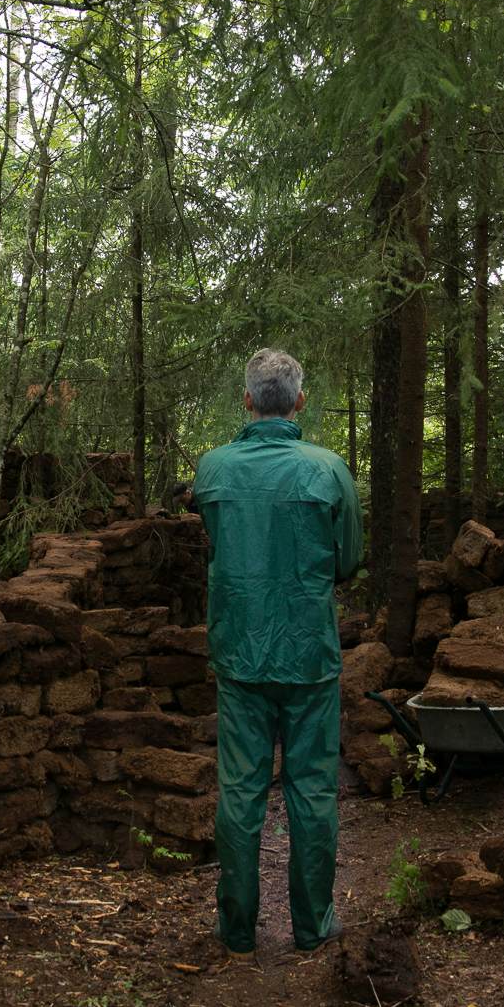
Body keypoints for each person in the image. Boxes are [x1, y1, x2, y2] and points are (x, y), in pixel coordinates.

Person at [191, 348, 364, 962]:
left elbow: (216, 549)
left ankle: (236, 929)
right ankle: (313, 925)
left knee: (239, 790)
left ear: (246, 401)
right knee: (311, 790)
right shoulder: (328, 471)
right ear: (299, 401)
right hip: (308, 655)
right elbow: (347, 561)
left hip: (239, 654)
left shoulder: (213, 470)